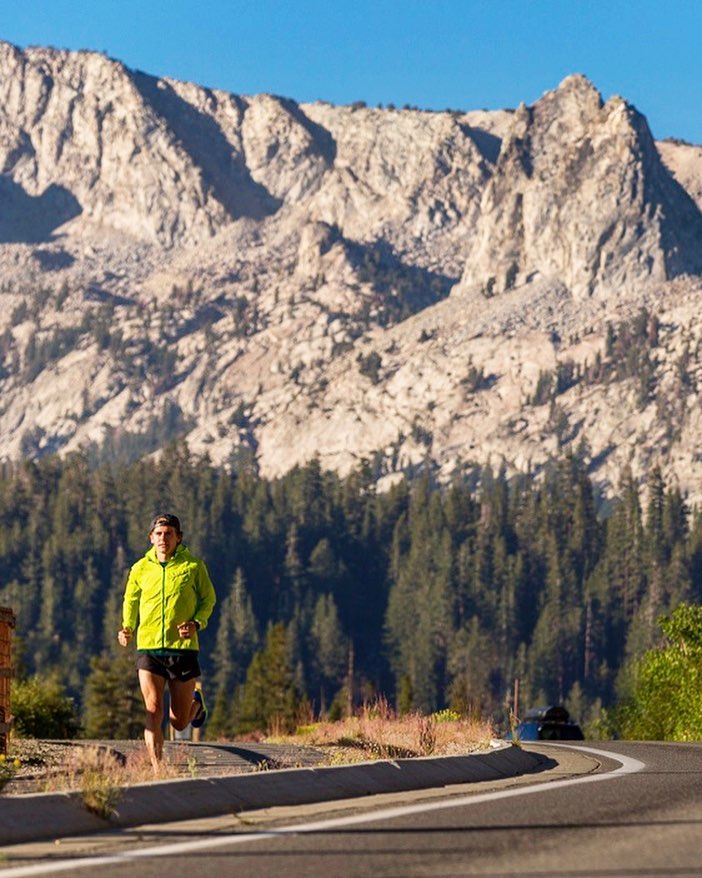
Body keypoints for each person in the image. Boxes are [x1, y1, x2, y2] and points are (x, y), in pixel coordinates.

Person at [118, 513, 216, 769]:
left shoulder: (193, 566)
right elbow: (131, 599)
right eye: (159, 534)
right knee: (152, 708)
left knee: (178, 722)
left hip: (182, 650)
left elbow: (208, 600)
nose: (164, 538)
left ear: (179, 538)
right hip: (149, 648)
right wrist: (127, 627)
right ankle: (157, 768)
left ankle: (197, 704)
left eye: (169, 533)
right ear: (151, 538)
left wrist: (196, 623)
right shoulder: (140, 568)